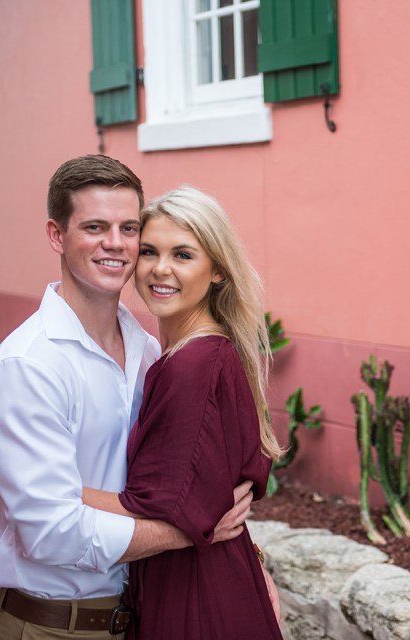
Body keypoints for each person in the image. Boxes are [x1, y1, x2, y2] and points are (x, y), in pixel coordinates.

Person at [0, 156, 264, 640]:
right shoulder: (27, 365)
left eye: (129, 228)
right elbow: (52, 533)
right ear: (56, 235)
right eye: (94, 227)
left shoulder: (149, 353)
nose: (115, 243)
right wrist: (194, 529)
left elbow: (190, 479)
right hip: (52, 627)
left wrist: (244, 559)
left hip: (137, 617)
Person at [81, 186, 283, 639]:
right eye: (149, 251)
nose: (160, 268)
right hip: (210, 580)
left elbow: (154, 510)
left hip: (194, 599)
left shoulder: (192, 366)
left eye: (183, 255)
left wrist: (23, 476)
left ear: (217, 270)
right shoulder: (200, 353)